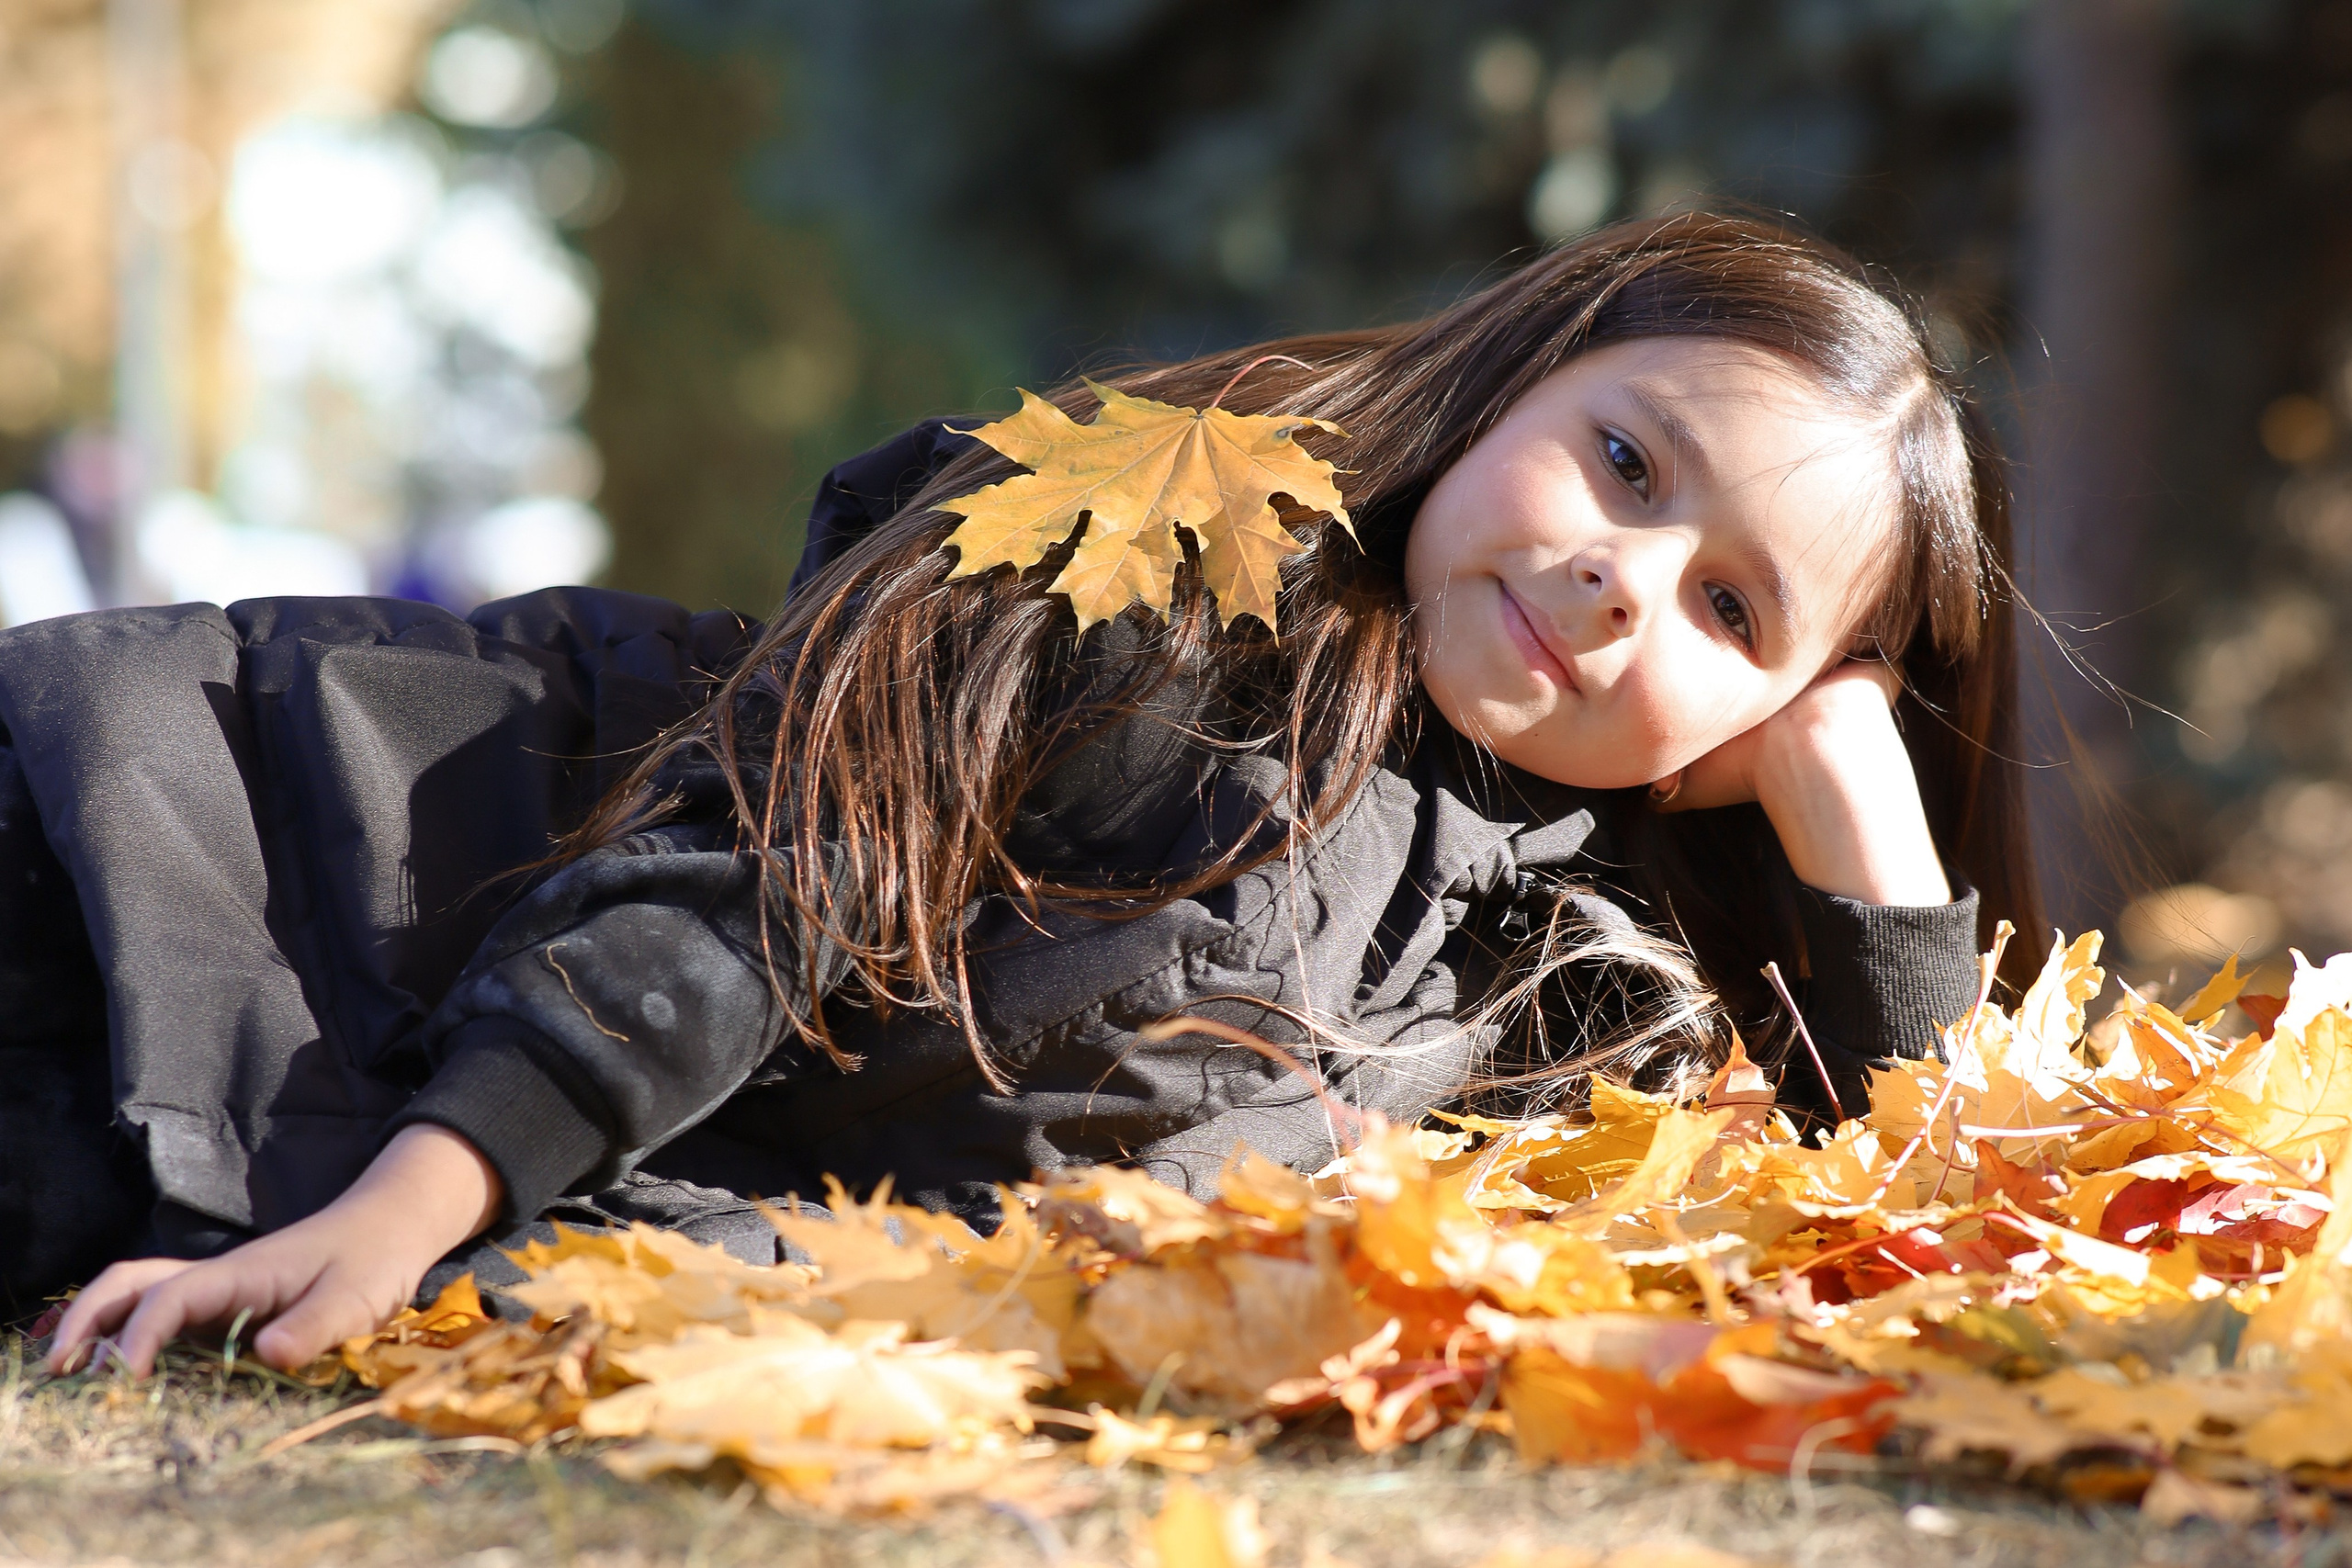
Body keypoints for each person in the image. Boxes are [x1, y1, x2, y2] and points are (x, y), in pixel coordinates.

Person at [32, 211, 2035, 1378]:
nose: (1622, 574)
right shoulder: (1177, 599)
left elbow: (1907, 1243)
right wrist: (417, 1197)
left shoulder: (1559, 997)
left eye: (1728, 604)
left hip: (304, 1091)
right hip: (239, 873)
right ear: (1513, 377)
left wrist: (1862, 833)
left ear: (1745, 723)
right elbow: (774, 878)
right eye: (1620, 461)